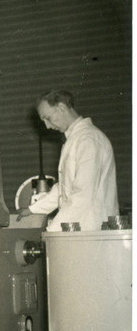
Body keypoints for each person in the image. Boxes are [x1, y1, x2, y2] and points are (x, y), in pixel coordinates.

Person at [17, 90, 119, 231]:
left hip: (91, 229)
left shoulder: (88, 140)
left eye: (48, 118)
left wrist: (51, 231)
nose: (47, 126)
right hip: (81, 228)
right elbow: (65, 187)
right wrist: (32, 209)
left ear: (62, 108)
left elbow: (82, 194)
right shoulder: (76, 139)